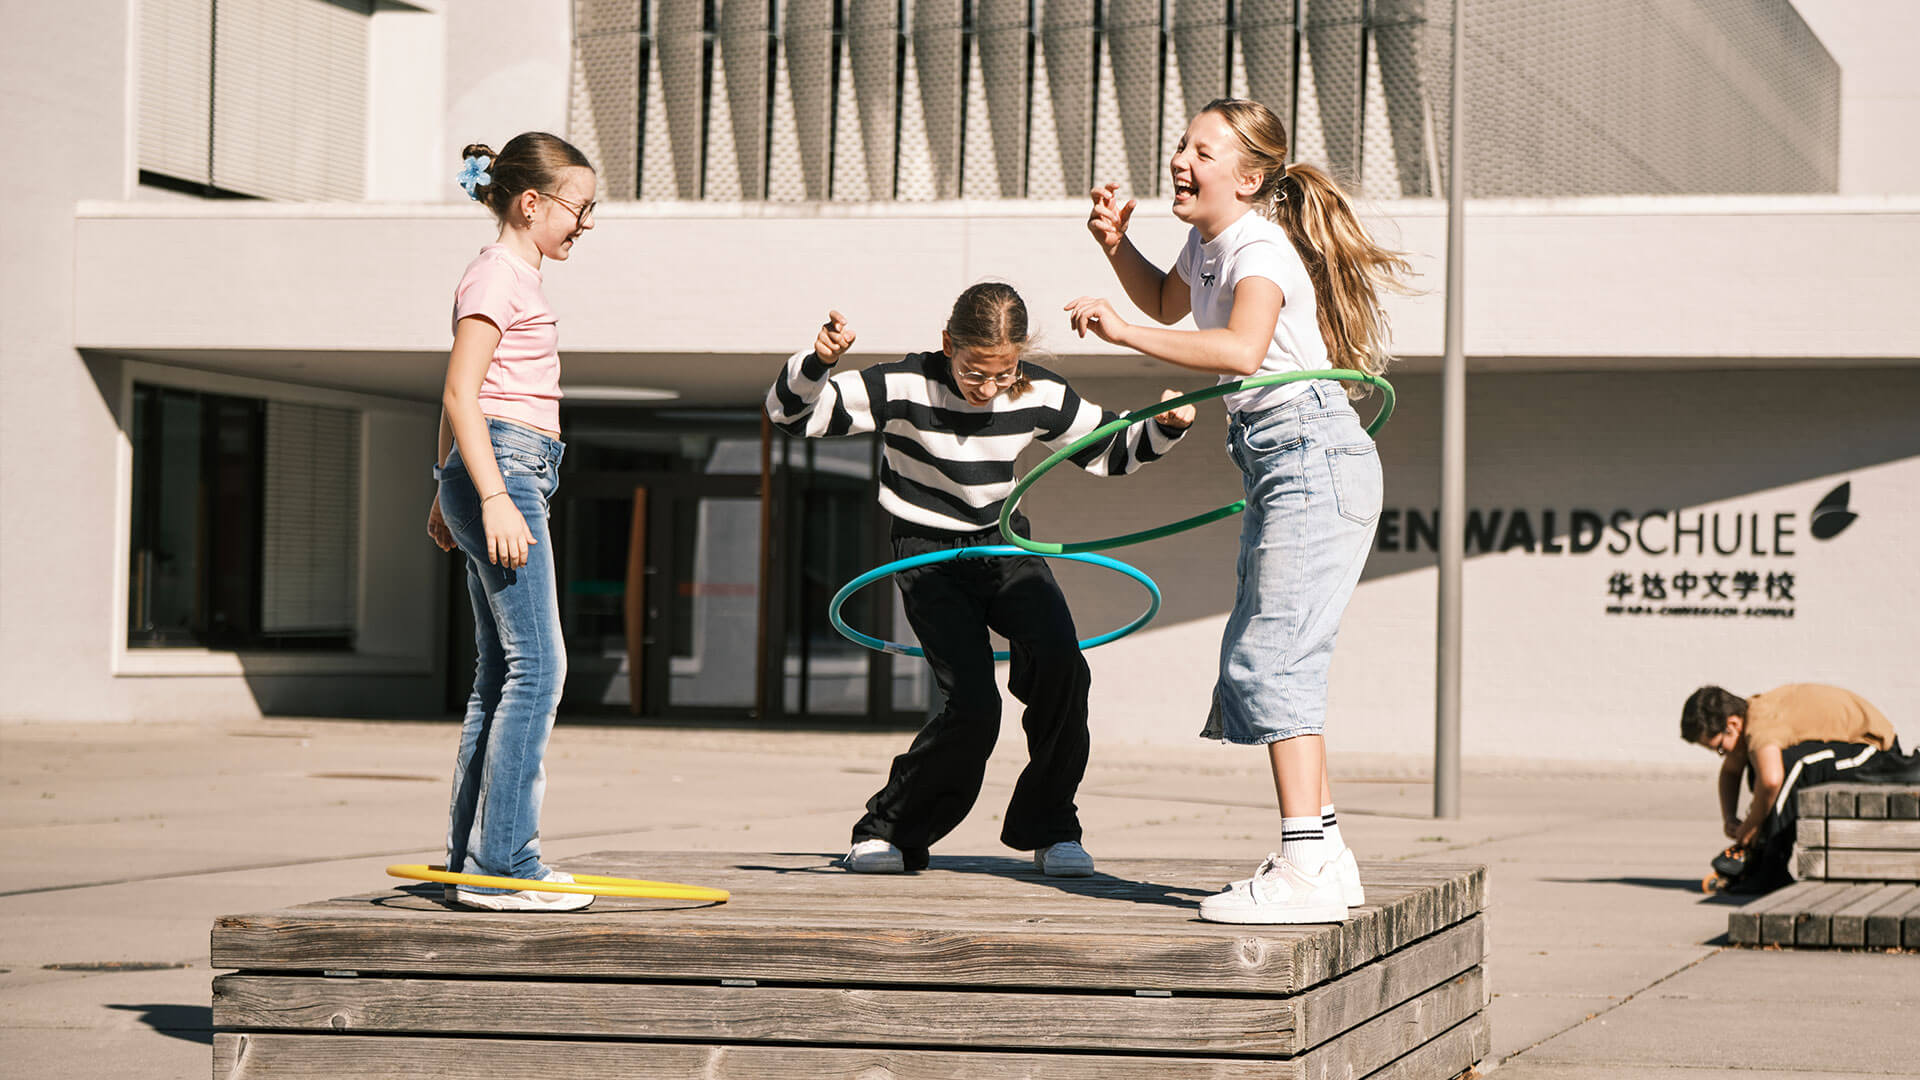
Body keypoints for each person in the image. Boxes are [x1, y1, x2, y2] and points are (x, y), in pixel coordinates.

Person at [1067, 98, 1413, 924]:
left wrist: (1119, 335)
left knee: (1272, 659)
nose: (1180, 159)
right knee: (1265, 651)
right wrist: (1117, 246)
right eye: (1182, 143)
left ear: (1249, 178)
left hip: (1311, 453)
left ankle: (1304, 864)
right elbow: (1165, 300)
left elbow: (1238, 352)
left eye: (1202, 151)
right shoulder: (1210, 242)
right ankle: (1324, 854)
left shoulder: (1258, 243)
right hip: (1277, 459)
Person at [766, 282, 1195, 877]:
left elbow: (1111, 452)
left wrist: (1167, 423)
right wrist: (820, 361)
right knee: (972, 703)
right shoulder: (901, 385)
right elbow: (793, 416)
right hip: (925, 552)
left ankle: (1050, 828)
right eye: (975, 373)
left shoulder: (1040, 391)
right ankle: (887, 830)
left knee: (1063, 672)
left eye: (1004, 373)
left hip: (1003, 544)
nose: (989, 388)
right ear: (948, 345)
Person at [426, 132, 598, 911]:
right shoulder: (498, 276)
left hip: (495, 466)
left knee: (499, 673)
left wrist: (445, 488)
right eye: (578, 207)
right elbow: (463, 392)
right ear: (532, 203)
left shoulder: (510, 275)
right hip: (507, 469)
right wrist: (487, 495)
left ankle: (474, 856)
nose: (584, 223)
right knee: (540, 668)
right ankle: (504, 863)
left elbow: (457, 396)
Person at [1682, 683, 1907, 891]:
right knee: (1762, 770)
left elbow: (1771, 780)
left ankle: (1771, 867)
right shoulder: (1750, 718)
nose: (1723, 755)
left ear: (1733, 724)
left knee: (1793, 766)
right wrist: (1729, 818)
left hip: (1874, 753)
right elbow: (1731, 772)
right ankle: (1762, 861)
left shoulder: (1760, 727)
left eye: (1720, 748)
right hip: (1853, 748)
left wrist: (1751, 827)